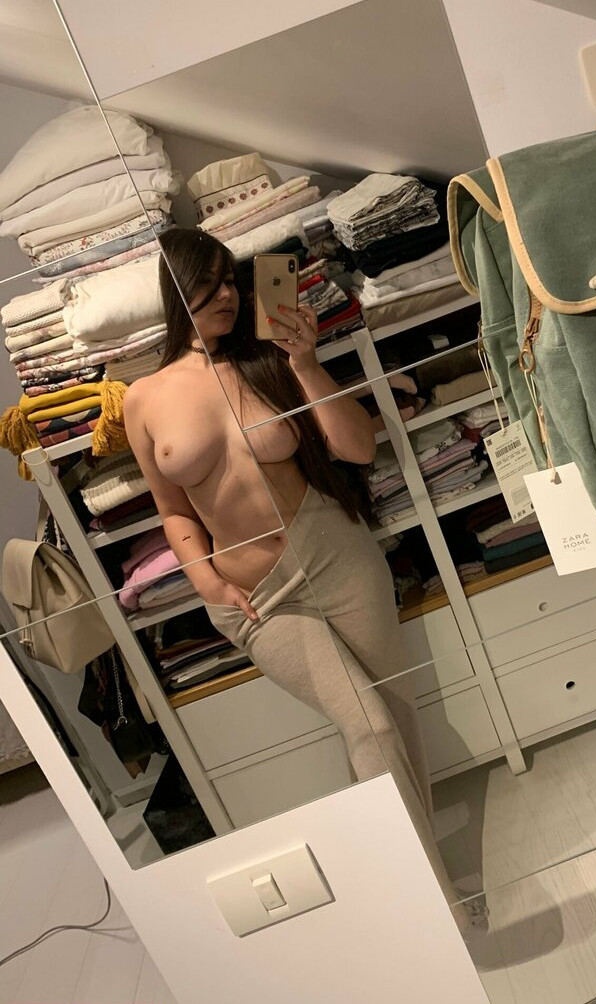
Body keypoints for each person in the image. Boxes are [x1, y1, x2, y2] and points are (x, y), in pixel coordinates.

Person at [124, 228, 473, 931]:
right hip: (256, 594)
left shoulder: (267, 360)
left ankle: (416, 869)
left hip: (337, 555)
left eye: (231, 280)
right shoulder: (143, 398)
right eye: (207, 283)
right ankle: (433, 908)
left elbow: (357, 448)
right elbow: (173, 510)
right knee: (369, 725)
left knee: (394, 717)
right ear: (176, 290)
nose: (226, 295)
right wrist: (208, 584)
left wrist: (306, 363)